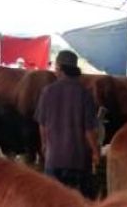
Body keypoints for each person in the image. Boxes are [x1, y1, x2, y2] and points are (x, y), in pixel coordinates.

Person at [35, 49, 101, 199]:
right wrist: (96, 151)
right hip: (78, 161)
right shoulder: (85, 94)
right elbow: (89, 130)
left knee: (54, 203)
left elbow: (42, 125)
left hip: (54, 160)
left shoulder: (47, 92)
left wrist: (45, 145)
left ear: (59, 68)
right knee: (77, 204)